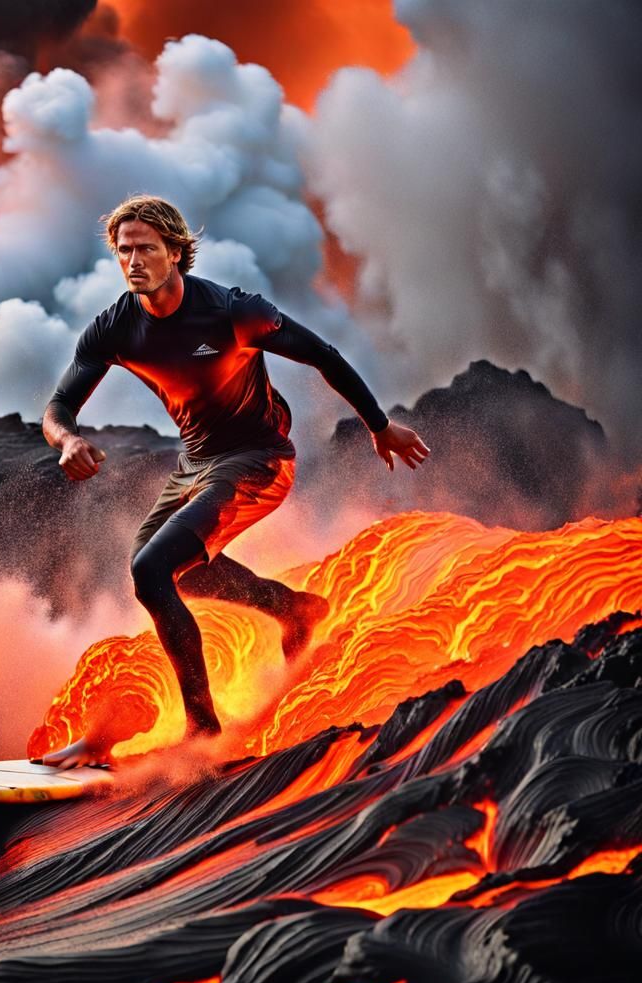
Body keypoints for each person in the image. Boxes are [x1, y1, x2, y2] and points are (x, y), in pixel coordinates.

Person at [39, 195, 429, 769]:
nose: (133, 261)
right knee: (163, 573)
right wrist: (68, 439)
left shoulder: (230, 310)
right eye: (124, 251)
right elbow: (58, 406)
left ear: (176, 251)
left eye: (146, 248)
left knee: (153, 570)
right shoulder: (116, 326)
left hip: (260, 460)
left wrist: (379, 425)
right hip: (195, 465)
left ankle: (202, 730)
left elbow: (322, 354)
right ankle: (293, 610)